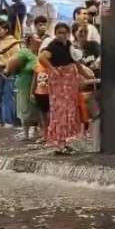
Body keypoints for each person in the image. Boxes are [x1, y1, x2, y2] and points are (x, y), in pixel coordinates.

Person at [38, 22, 94, 155]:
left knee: (69, 109)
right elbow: (42, 58)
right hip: (60, 82)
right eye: (59, 33)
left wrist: (85, 74)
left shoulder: (68, 45)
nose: (62, 35)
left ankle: (63, 142)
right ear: (55, 34)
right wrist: (52, 69)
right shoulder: (52, 46)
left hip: (69, 81)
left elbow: (76, 61)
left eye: (64, 33)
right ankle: (60, 144)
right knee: (60, 111)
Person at [4, 34, 41, 141]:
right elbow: (11, 62)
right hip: (25, 84)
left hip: (39, 86)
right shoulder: (25, 52)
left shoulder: (40, 52)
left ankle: (37, 132)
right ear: (30, 41)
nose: (39, 39)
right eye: (36, 38)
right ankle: (26, 134)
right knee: (25, 110)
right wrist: (9, 70)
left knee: (37, 110)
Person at [0, 20, 22, 127]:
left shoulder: (13, 42)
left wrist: (9, 69)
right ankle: (0, 119)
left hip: (8, 70)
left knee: (8, 95)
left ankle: (8, 120)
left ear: (6, 30)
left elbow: (16, 58)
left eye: (0, 29)